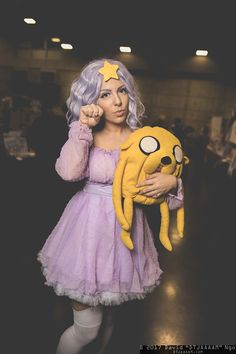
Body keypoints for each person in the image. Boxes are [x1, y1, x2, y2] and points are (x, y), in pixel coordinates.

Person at [37, 58, 184, 354]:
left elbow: (155, 189)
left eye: (122, 91)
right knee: (87, 330)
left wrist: (173, 184)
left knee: (109, 322)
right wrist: (82, 127)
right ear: (90, 100)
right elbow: (68, 172)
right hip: (86, 235)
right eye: (105, 94)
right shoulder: (85, 132)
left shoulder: (143, 139)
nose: (117, 101)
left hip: (125, 239)